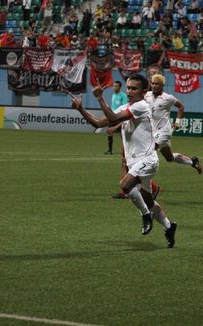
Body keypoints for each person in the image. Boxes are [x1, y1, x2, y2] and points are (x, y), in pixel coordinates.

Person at [70, 74, 177, 248]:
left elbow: (112, 119)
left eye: (134, 88)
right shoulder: (126, 107)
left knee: (125, 185)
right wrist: (80, 109)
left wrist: (99, 97)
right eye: (128, 88)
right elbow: (98, 124)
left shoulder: (142, 106)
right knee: (149, 201)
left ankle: (145, 215)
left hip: (148, 160)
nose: (129, 91)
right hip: (135, 162)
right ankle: (169, 226)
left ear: (144, 91)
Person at [145, 74, 203, 174]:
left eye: (157, 84)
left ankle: (144, 181)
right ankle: (193, 162)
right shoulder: (147, 95)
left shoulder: (168, 98)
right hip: (153, 130)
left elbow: (181, 106)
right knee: (169, 158)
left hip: (164, 130)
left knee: (149, 150)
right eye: (152, 83)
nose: (154, 86)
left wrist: (177, 122)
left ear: (162, 85)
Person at [105, 81, 128, 155]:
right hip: (113, 117)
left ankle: (127, 150)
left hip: (120, 117)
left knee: (123, 134)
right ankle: (110, 150)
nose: (114, 87)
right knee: (109, 132)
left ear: (120, 87)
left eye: (116, 86)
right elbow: (113, 106)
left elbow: (125, 106)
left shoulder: (123, 95)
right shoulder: (113, 95)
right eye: (114, 86)